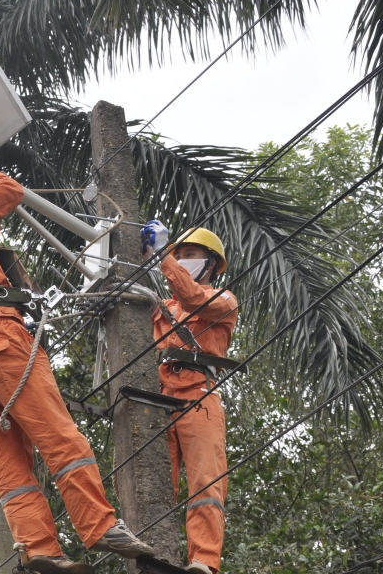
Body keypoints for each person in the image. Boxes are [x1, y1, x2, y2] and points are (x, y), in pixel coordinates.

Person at [0, 141, 156, 574]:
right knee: (58, 434)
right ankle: (99, 527)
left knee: (8, 461)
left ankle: (39, 548)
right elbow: (8, 192)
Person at [141, 223, 238, 574]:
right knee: (154, 479)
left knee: (205, 482)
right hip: (161, 399)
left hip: (200, 397)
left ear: (210, 263)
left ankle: (204, 561)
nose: (183, 260)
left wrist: (165, 258)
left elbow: (195, 298)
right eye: (180, 254)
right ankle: (154, 553)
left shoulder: (224, 299)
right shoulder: (164, 306)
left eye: (190, 255)